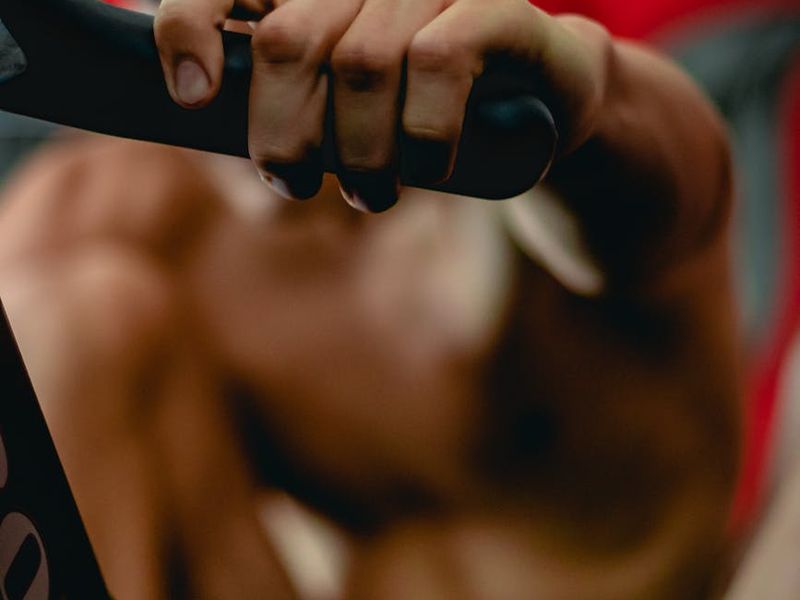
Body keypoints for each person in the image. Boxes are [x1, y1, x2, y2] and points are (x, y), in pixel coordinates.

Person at [0, 0, 739, 597]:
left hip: (627, 565)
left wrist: (584, 97)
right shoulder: (107, 222)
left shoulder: (550, 144)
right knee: (69, 327)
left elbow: (666, 186)